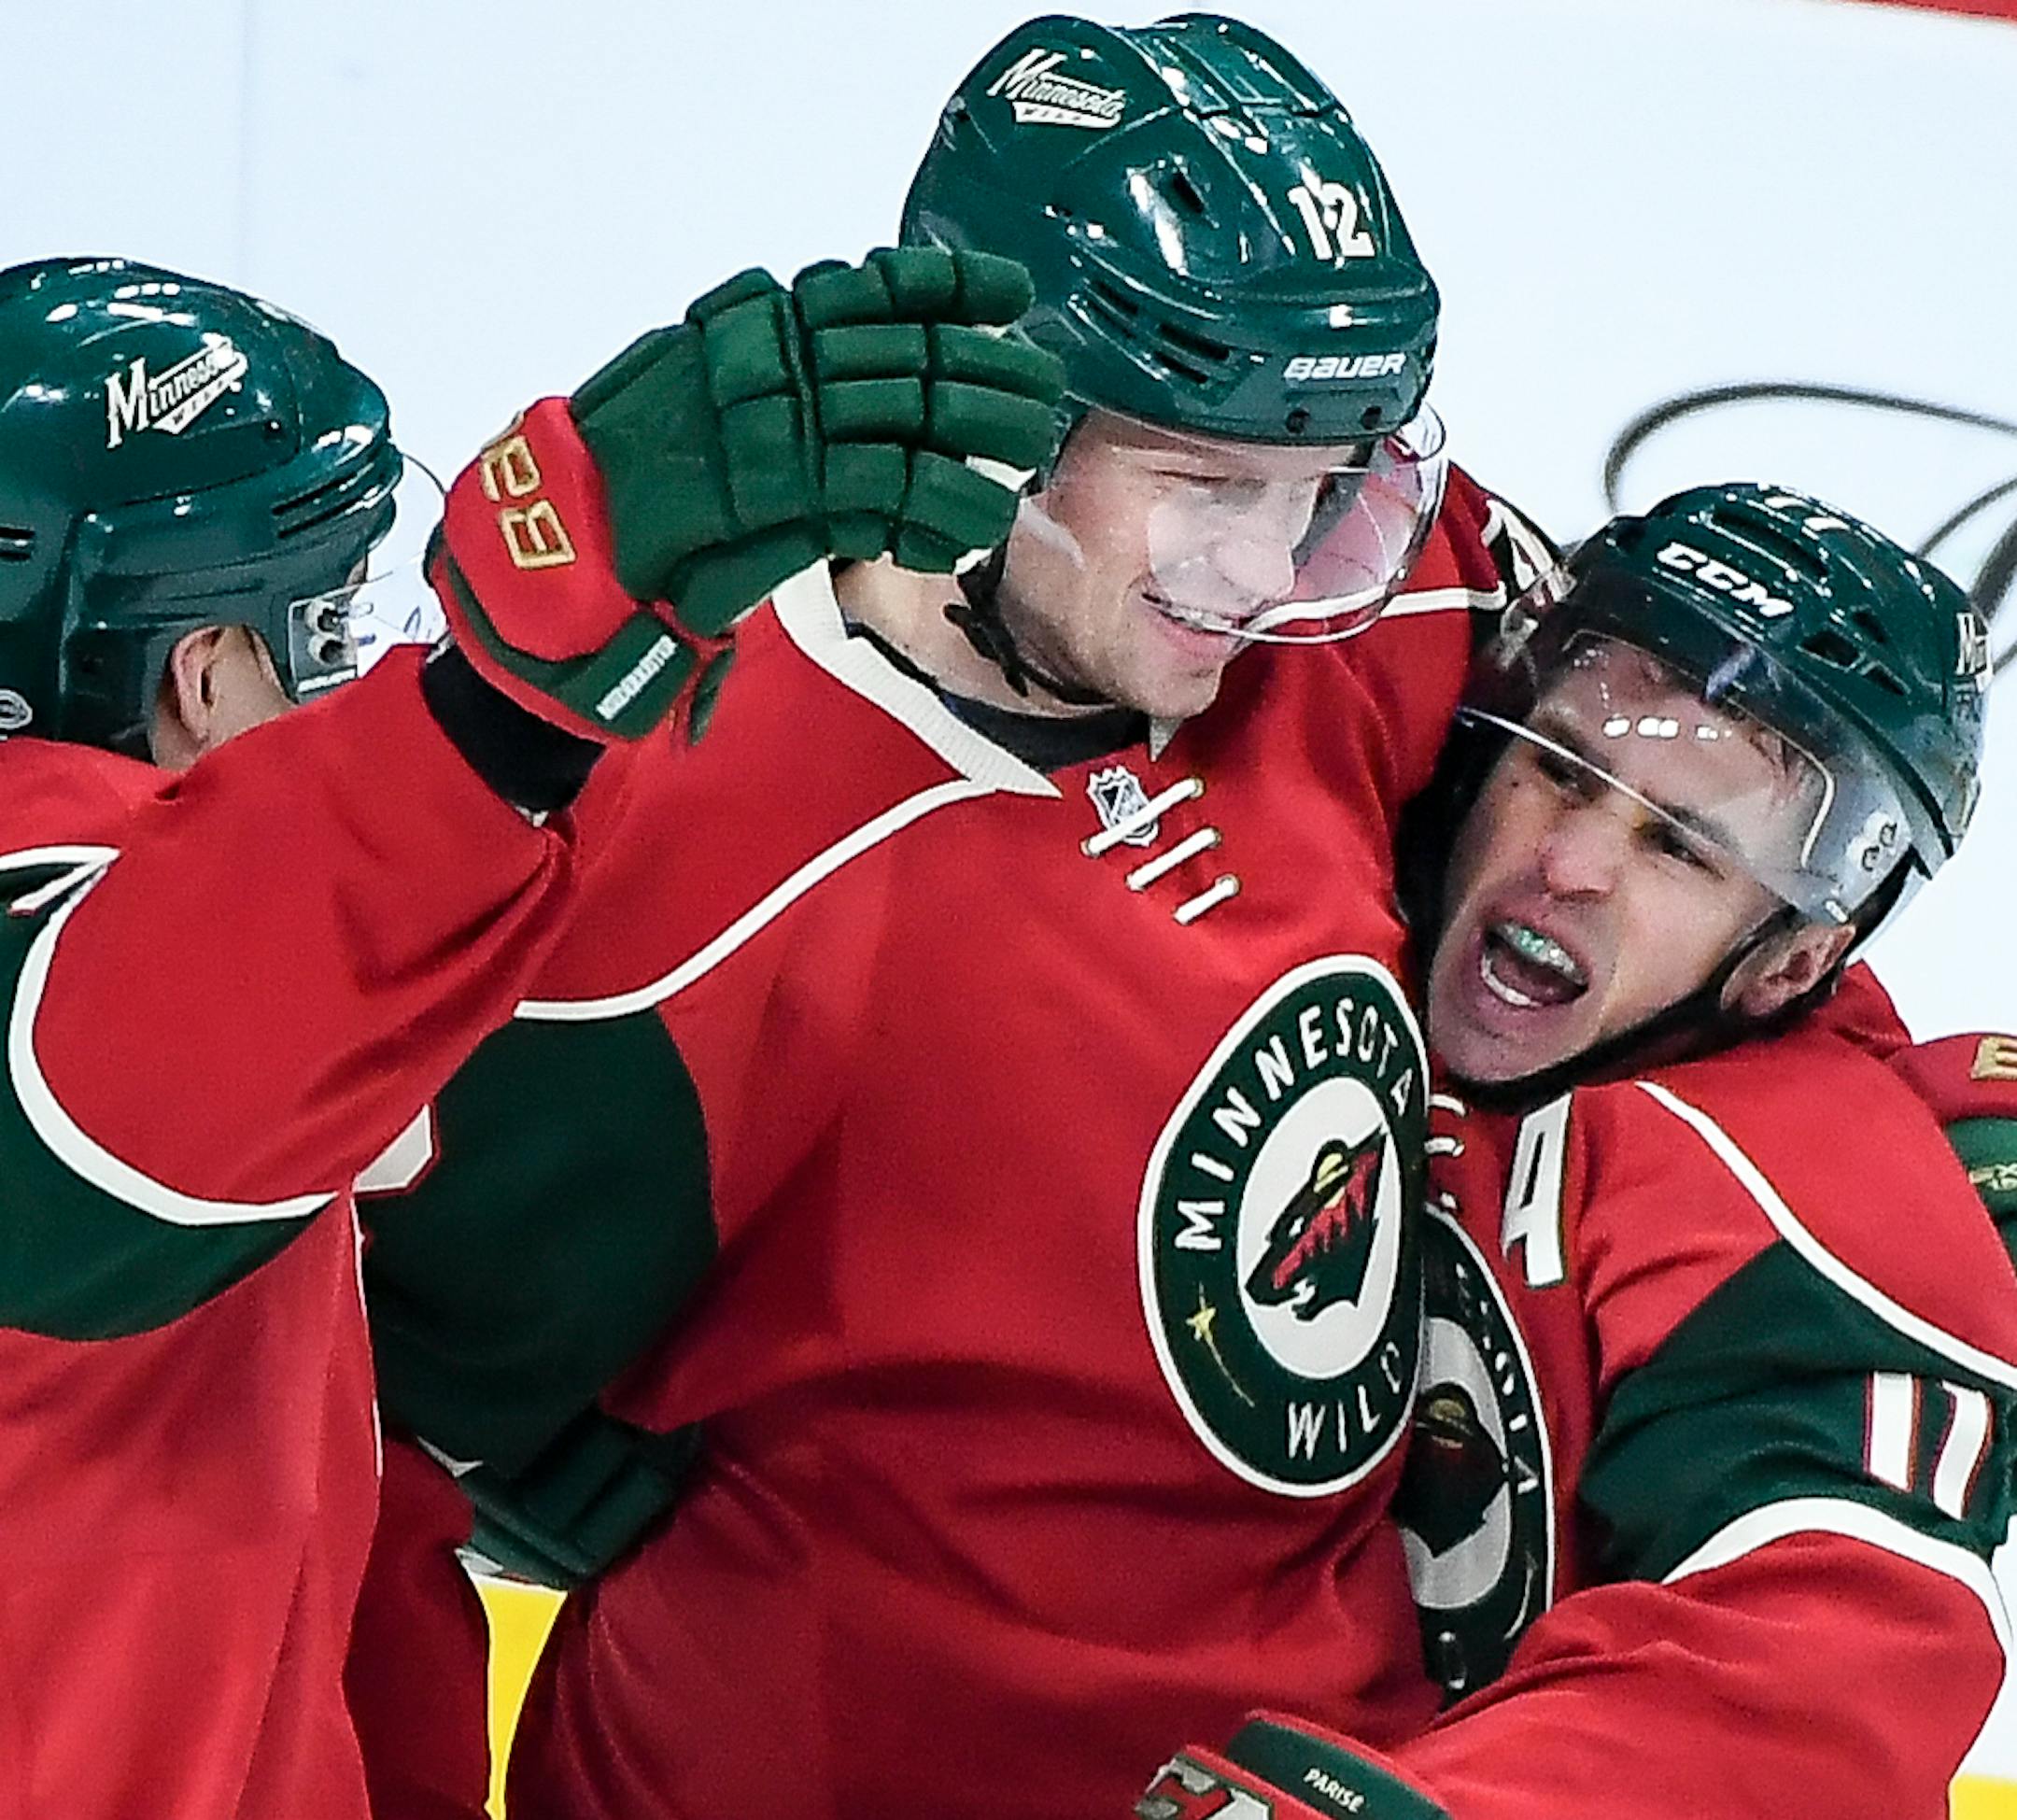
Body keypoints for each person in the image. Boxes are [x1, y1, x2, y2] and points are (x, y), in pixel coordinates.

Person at [347, 14, 1532, 1819]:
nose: (1267, 570)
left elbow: (1681, 832)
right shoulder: (681, 837)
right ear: (993, 405)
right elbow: (398, 1398)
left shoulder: (1352, 621)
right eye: (1207, 486)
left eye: (1325, 489)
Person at [0, 245, 1053, 1820]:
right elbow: (151, 1053)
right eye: (332, 623)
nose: (367, 673)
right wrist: (510, 684)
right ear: (203, 675)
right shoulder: (105, 998)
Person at [1137, 485, 2017, 1819]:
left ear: (1788, 957)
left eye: (1676, 846)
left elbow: (1817, 1650)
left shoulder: (1800, 1181)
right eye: (1560, 764)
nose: (1568, 863)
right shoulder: (1318, 838)